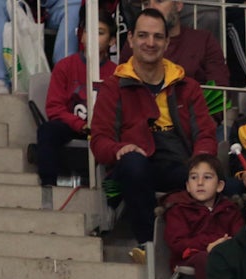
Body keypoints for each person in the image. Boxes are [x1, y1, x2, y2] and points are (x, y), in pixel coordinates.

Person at [89, 9, 217, 254]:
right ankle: (147, 243)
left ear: (167, 42)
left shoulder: (186, 85)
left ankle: (207, 247)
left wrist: (201, 161)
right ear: (131, 40)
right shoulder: (114, 87)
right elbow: (99, 141)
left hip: (179, 163)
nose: (150, 43)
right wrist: (119, 149)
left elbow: (206, 134)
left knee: (227, 186)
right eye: (143, 35)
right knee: (134, 165)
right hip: (136, 164)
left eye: (158, 37)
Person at [38, 16, 116, 188]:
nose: (93, 37)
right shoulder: (65, 66)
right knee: (48, 131)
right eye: (88, 32)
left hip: (105, 130)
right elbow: (54, 108)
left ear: (112, 41)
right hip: (73, 125)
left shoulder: (118, 73)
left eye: (100, 33)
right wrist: (80, 125)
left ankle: (112, 195)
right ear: (81, 37)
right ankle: (48, 186)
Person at [162, 155, 242, 279]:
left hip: (226, 259)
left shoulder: (230, 209)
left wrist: (223, 248)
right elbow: (177, 243)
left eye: (207, 177)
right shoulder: (178, 208)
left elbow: (240, 238)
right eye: (194, 177)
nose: (199, 182)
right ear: (187, 185)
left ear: (219, 186)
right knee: (205, 258)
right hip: (189, 261)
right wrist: (210, 246)